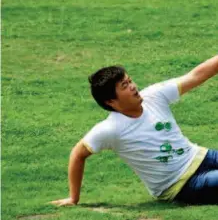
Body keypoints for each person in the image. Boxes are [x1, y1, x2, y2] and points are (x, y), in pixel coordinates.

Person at [51, 55, 218, 207]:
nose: (132, 87)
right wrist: (74, 198)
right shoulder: (110, 129)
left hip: (202, 157)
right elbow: (77, 154)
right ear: (111, 101)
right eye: (125, 85)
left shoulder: (154, 96)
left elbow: (196, 75)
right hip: (181, 185)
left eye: (130, 81)